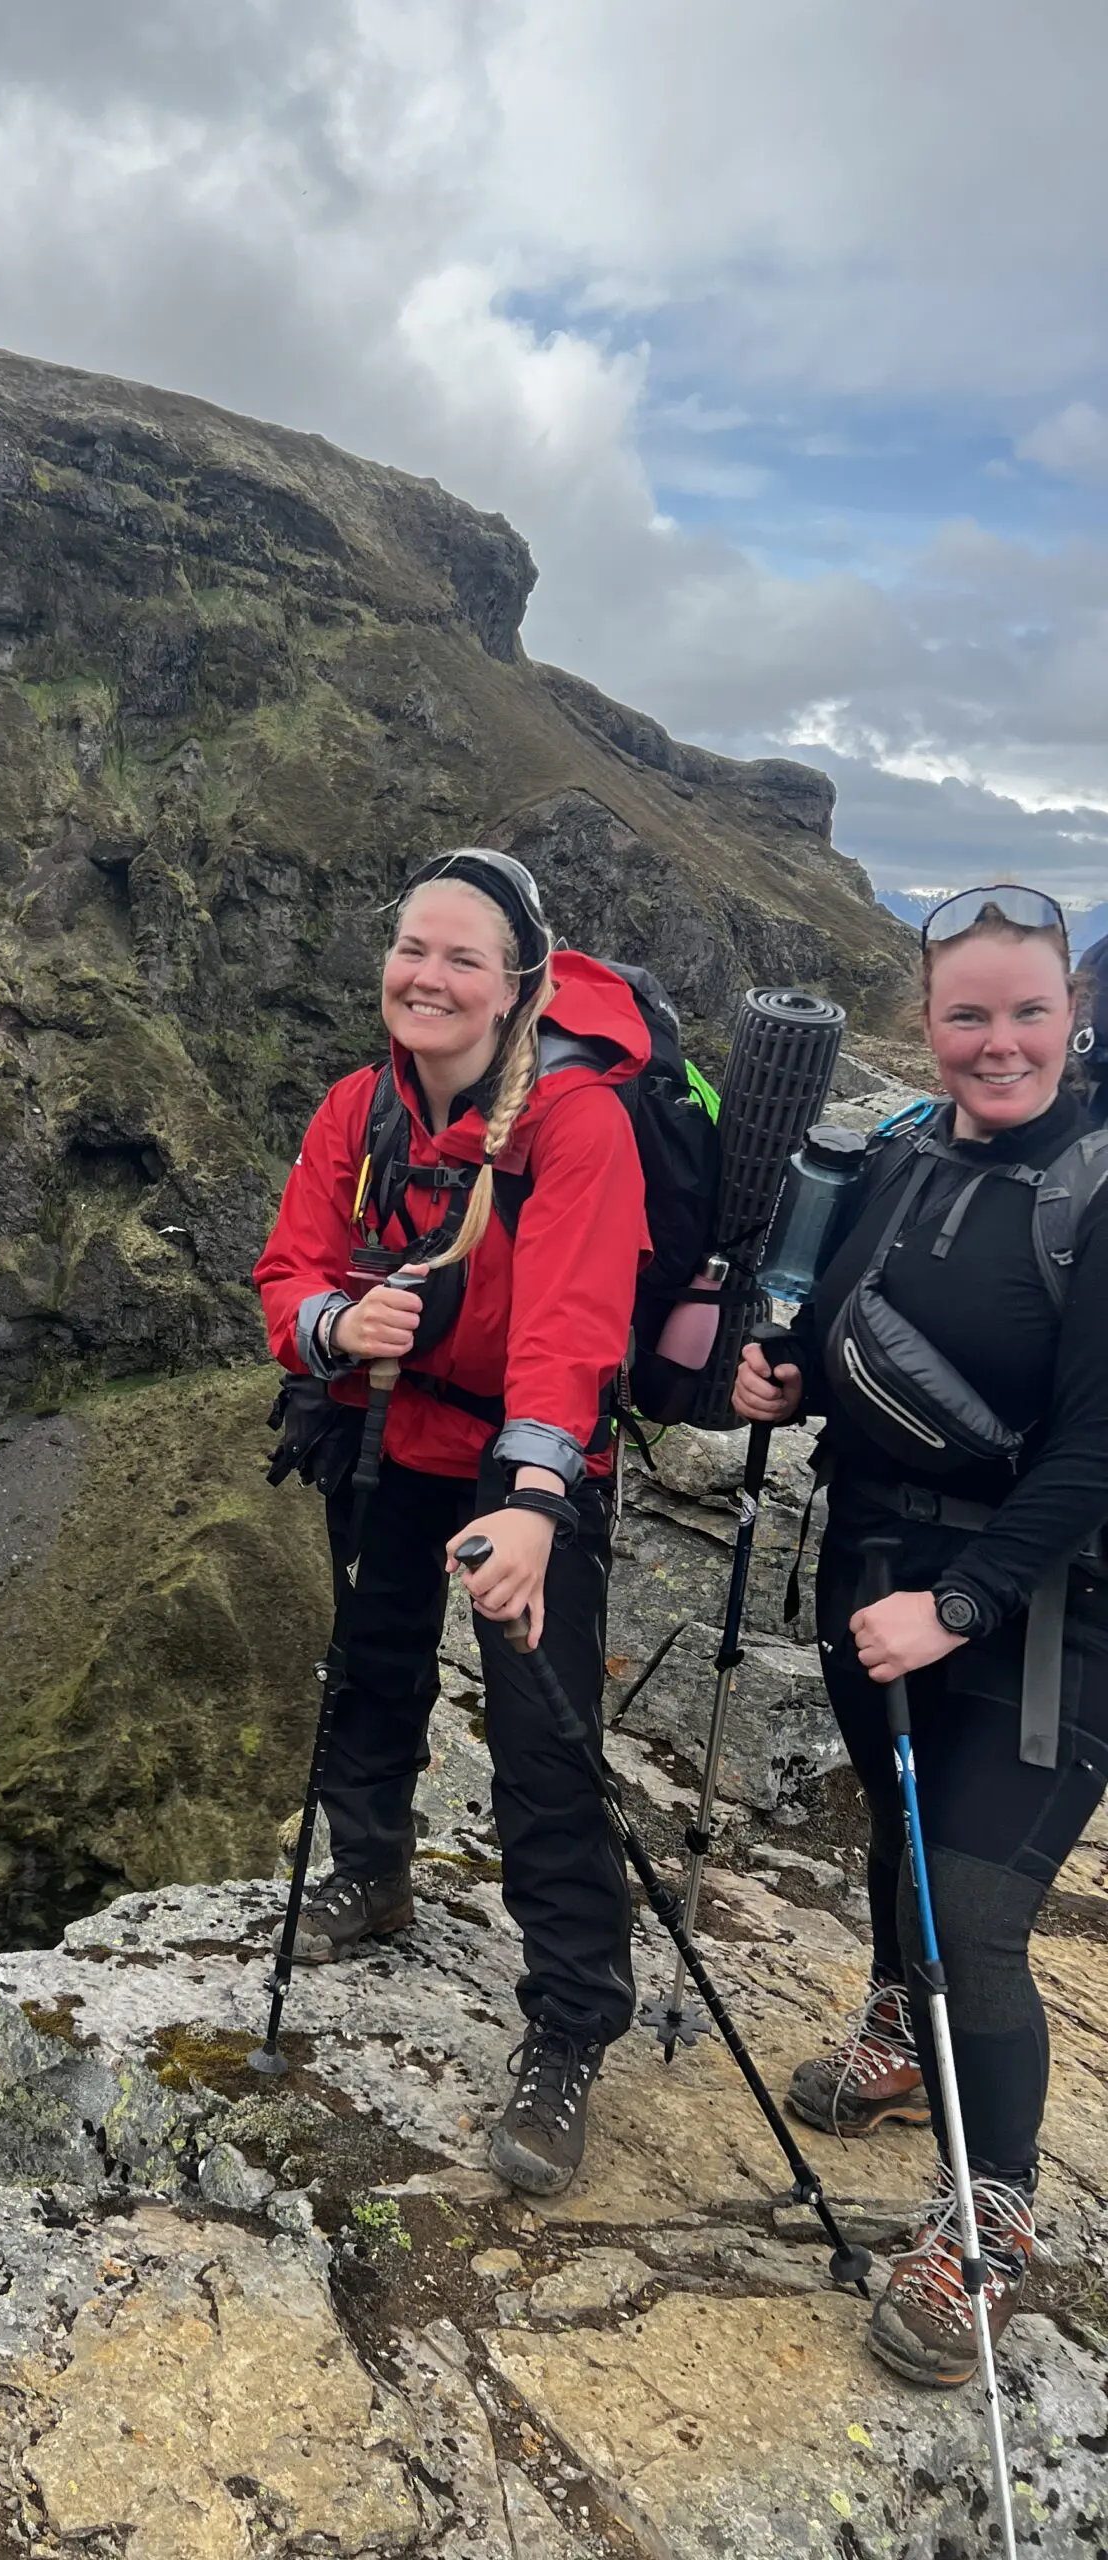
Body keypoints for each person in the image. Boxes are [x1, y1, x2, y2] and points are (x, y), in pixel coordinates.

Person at [733, 884, 1108, 2388]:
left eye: (1028, 1012)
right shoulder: (899, 1156)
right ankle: (900, 2035)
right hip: (877, 1563)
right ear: (927, 1021)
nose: (998, 1042)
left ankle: (991, 2222)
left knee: (972, 1902)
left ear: (1073, 1017)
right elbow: (849, 1334)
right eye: (968, 1015)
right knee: (899, 1837)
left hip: (1048, 1610)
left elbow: (1095, 1452)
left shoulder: (1095, 1191)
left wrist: (960, 1608)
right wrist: (782, 1378)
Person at [254, 848, 650, 2196]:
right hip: (389, 1428)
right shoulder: (360, 1107)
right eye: (412, 949)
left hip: (527, 1459)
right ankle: (371, 1874)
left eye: (461, 958)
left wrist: (535, 1503)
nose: (427, 978)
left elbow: (571, 1329)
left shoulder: (574, 1124)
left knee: (542, 1731)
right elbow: (289, 1267)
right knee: (370, 1664)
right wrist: (333, 1327)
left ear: (519, 983)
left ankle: (570, 2024)